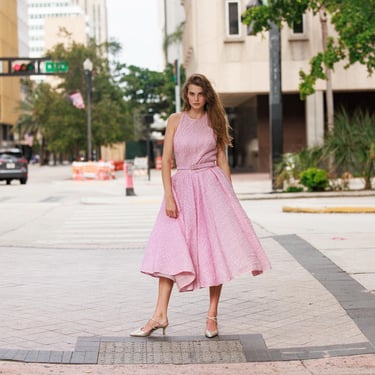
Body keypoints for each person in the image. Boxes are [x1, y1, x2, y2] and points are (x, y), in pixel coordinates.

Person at [130, 73, 271, 338]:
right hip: (181, 187)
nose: (196, 99)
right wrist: (169, 196)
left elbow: (222, 160)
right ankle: (159, 315)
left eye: (200, 94)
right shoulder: (175, 121)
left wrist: (228, 196)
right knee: (170, 248)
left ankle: (212, 316)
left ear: (207, 96)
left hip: (211, 188)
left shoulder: (215, 120)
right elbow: (167, 161)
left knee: (214, 251)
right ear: (186, 95)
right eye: (191, 94)